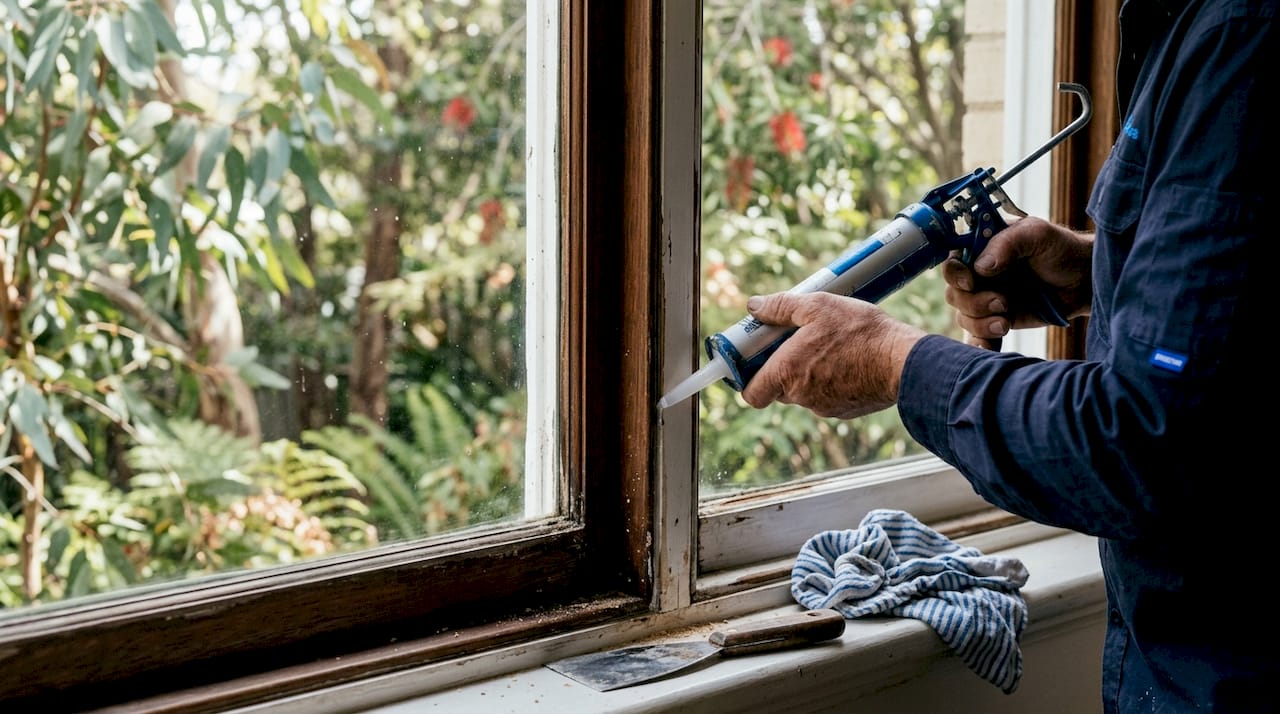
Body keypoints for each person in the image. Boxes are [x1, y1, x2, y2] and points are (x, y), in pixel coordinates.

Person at [738, 0, 1278, 711]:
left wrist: (897, 365)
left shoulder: (1243, 40)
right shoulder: (1190, 28)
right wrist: (1101, 272)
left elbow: (1145, 439)